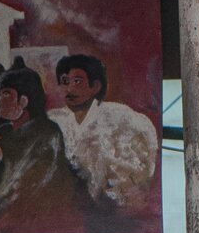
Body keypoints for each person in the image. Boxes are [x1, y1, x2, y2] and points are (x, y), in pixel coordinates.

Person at [0, 67, 85, 227]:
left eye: (6, 94)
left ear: (23, 101)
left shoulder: (44, 130)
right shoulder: (9, 127)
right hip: (17, 196)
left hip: (41, 205)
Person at [49, 53, 159, 213]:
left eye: (77, 81)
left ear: (95, 86)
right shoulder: (53, 119)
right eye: (65, 81)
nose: (69, 88)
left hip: (110, 208)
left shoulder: (121, 117)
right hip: (65, 208)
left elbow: (142, 164)